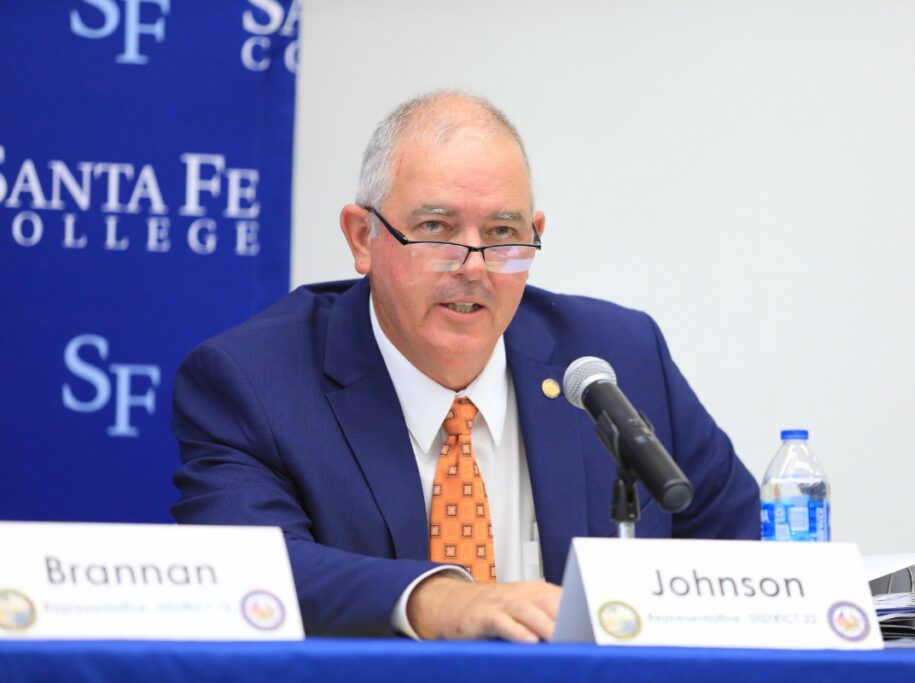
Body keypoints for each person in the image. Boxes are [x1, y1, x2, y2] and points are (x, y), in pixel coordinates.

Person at [171, 91, 760, 641]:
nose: (473, 266)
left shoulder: (616, 357)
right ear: (361, 237)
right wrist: (440, 600)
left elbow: (746, 548)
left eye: (503, 233)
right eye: (436, 229)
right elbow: (246, 568)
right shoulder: (255, 380)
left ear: (535, 238)